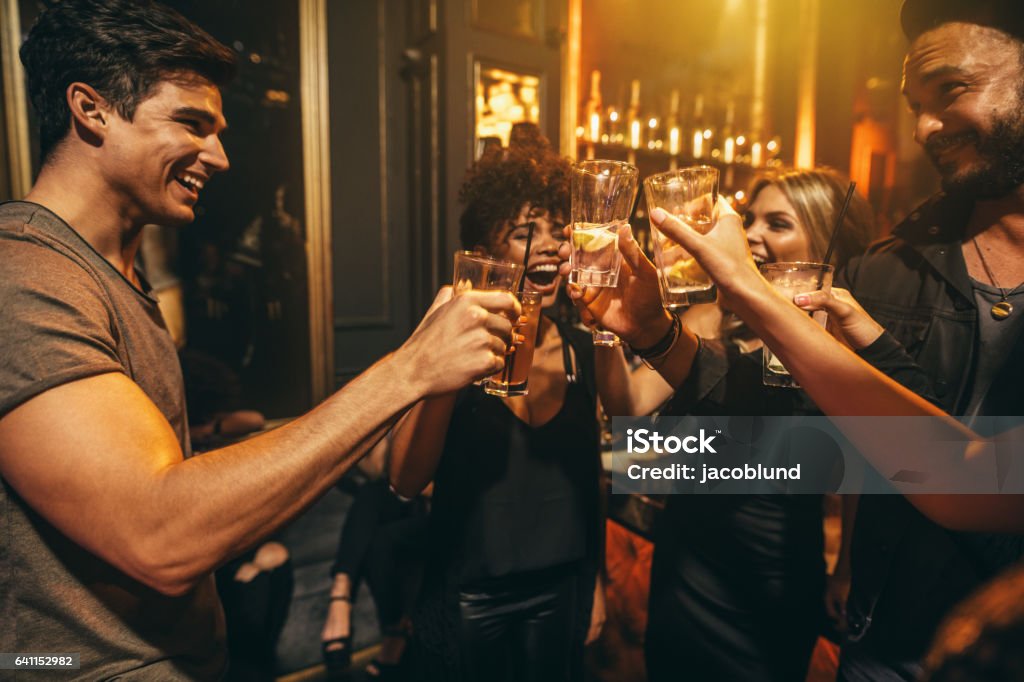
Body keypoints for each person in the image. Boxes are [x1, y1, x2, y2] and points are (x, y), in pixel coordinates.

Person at [0, 1, 517, 678]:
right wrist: (409, 371)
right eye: (192, 124)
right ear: (90, 109)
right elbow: (158, 535)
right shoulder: (22, 275)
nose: (219, 156)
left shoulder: (110, 278)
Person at [389, 126, 635, 681]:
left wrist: (594, 581)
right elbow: (405, 480)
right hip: (468, 596)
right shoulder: (443, 351)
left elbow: (604, 460)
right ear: (482, 255)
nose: (549, 245)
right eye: (527, 231)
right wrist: (446, 372)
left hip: (562, 588)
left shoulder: (579, 349)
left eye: (558, 231)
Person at [643, 169, 877, 682]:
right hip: (688, 560)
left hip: (777, 567)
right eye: (750, 219)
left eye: (778, 223)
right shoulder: (714, 320)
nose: (750, 235)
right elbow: (630, 401)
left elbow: (863, 466)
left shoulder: (847, 341)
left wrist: (847, 569)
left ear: (824, 239)